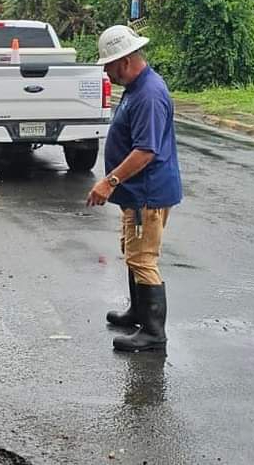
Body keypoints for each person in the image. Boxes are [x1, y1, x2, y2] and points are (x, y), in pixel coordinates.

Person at [86, 25, 182, 352]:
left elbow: (145, 151)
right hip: (136, 194)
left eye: (109, 66)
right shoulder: (135, 88)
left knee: (143, 258)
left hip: (147, 193)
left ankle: (154, 333)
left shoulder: (149, 95)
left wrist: (109, 181)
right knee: (132, 250)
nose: (106, 72)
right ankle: (139, 311)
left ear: (125, 61)